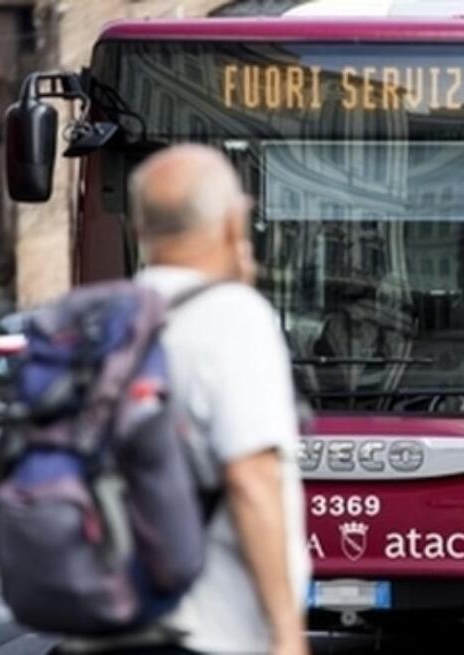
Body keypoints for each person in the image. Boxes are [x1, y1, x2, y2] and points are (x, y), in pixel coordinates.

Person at [112, 144, 309, 654]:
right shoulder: (232, 318)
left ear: (139, 232)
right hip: (204, 632)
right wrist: (286, 633)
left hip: (107, 620)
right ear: (230, 225)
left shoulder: (108, 318)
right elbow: (251, 480)